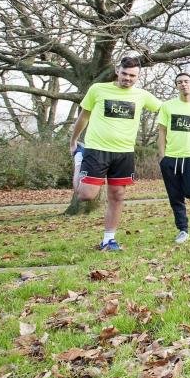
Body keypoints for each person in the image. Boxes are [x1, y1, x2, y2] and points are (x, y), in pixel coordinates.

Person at [69, 55, 162, 251]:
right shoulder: (98, 89)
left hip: (124, 153)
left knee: (117, 195)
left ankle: (108, 240)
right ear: (117, 71)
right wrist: (73, 141)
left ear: (137, 77)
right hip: (96, 149)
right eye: (125, 73)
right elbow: (84, 116)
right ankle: (79, 160)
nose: (128, 78)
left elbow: (166, 109)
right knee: (86, 195)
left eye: (132, 76)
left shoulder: (142, 96)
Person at [157, 72, 190, 244]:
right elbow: (162, 132)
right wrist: (162, 156)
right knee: (175, 196)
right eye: (179, 82)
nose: (183, 84)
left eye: (186, 81)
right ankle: (183, 230)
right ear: (176, 86)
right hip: (171, 158)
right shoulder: (167, 106)